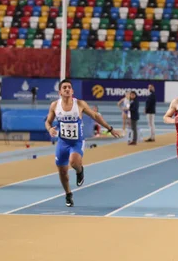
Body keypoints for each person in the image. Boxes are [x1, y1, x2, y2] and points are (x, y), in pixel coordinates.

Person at [45, 79, 121, 207]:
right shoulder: (54, 105)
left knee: (73, 162)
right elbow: (48, 122)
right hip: (62, 143)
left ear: (72, 91)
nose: (67, 89)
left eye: (69, 87)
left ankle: (79, 171)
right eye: (64, 87)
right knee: (62, 172)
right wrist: (50, 129)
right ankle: (68, 194)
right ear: (60, 92)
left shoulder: (79, 104)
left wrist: (110, 128)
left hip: (76, 142)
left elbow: (95, 116)